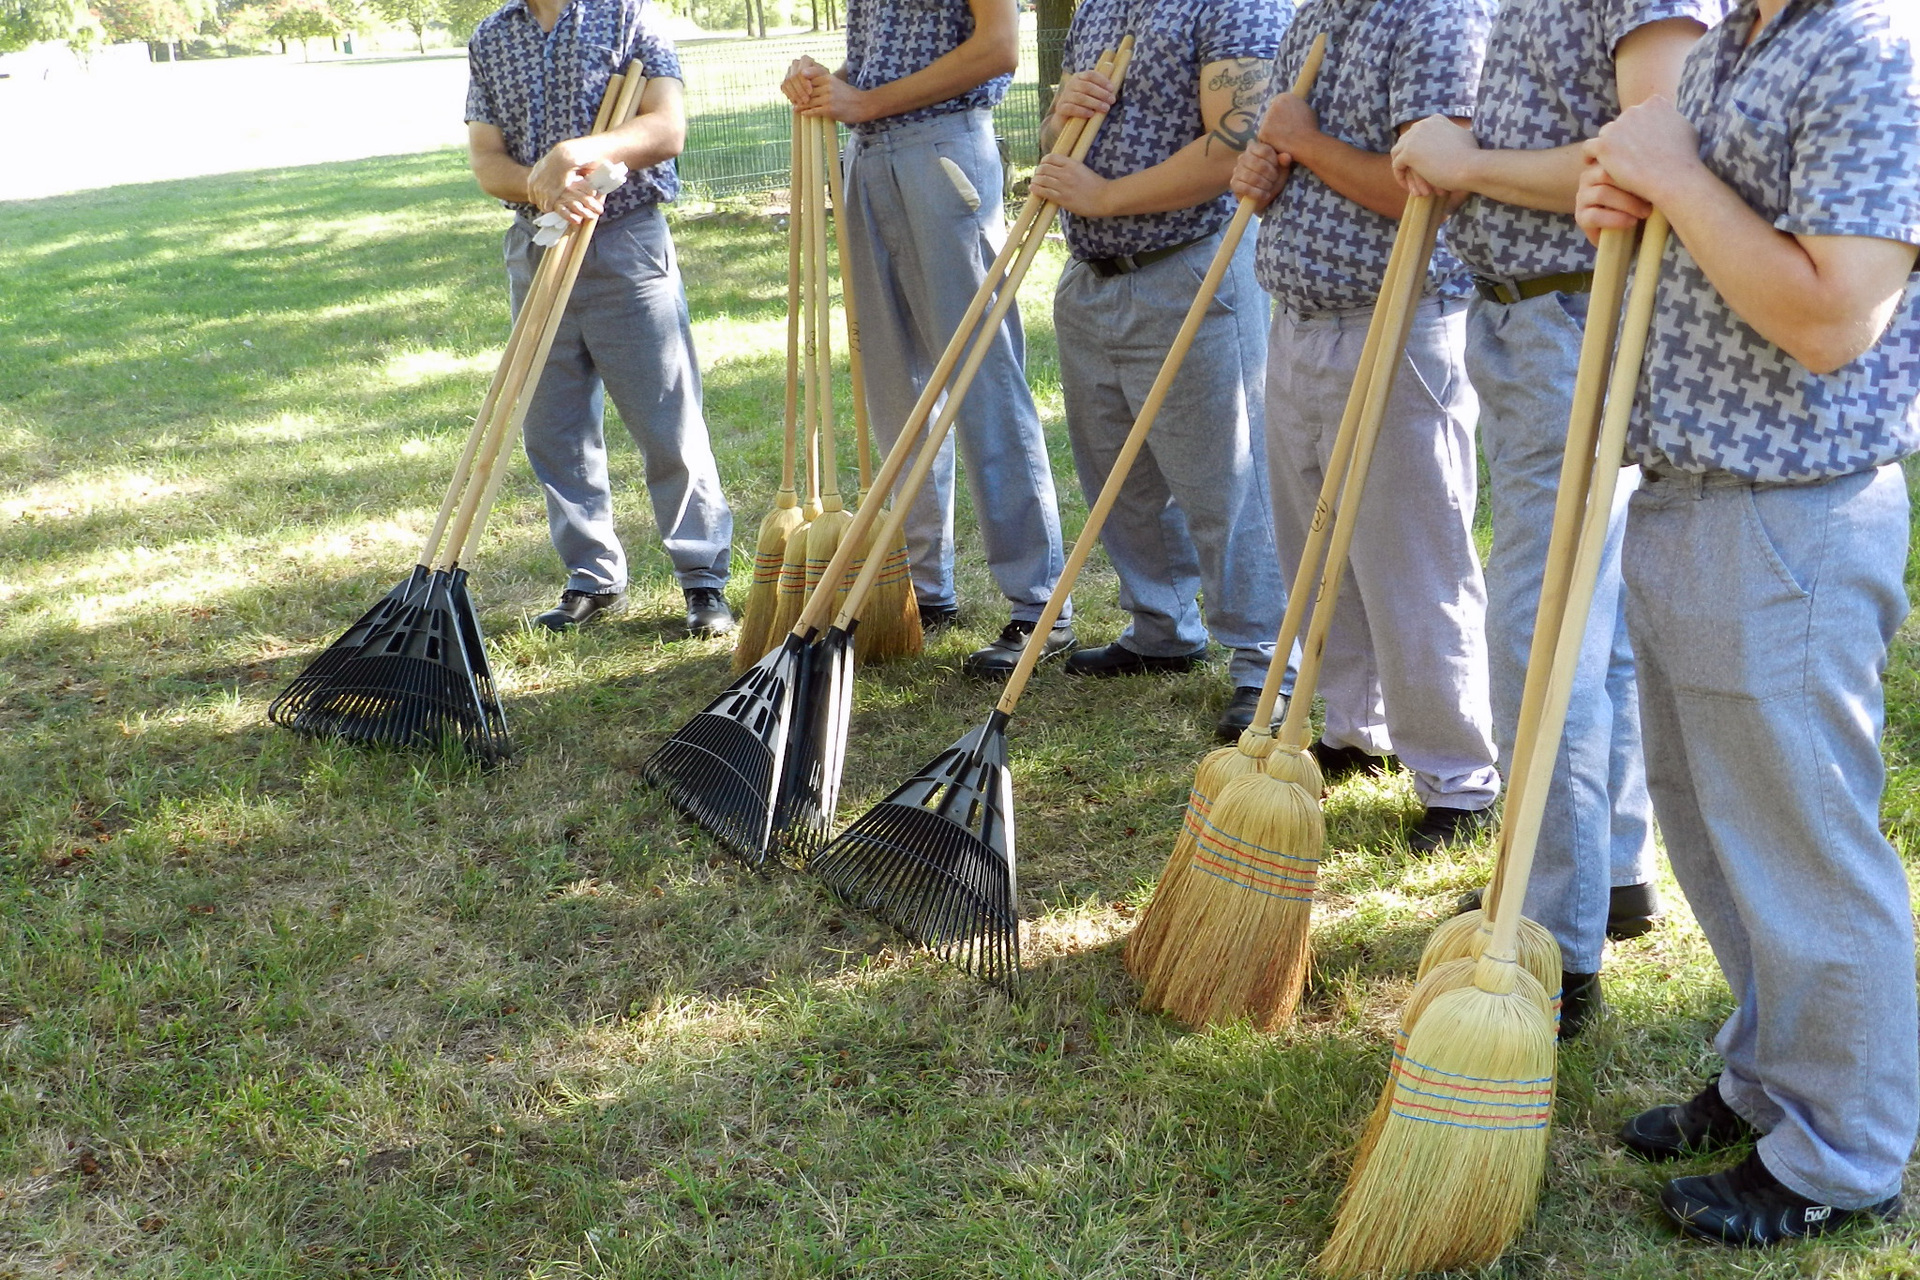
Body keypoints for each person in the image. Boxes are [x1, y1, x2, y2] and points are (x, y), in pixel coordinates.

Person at [1577, 0, 1919, 1245]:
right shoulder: (1736, 41)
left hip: (1790, 511)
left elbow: (1835, 317)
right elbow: (1715, 227)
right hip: (1695, 492)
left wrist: (1673, 173)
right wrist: (1630, 200)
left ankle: (1846, 1148)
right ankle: (1775, 1072)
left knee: (1802, 844)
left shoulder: (1870, 47)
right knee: (1719, 830)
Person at [1390, 0, 1720, 1036]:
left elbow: (1657, 146)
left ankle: (1552, 937)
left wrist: (1468, 163)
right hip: (1533, 308)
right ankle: (1606, 872)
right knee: (1587, 621)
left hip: (1578, 306)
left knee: (1542, 628)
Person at [1231, 0, 1499, 850]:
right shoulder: (1317, 14)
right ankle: (1355, 726)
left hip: (1398, 321)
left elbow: (1430, 189)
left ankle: (1459, 775)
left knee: (1412, 559)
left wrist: (1305, 143)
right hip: (1300, 320)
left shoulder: (1438, 16)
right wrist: (1264, 173)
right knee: (1318, 552)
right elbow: (1293, 157)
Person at [782, 0, 1075, 677]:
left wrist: (865, 100)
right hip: (868, 157)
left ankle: (1039, 605)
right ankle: (921, 589)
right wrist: (831, 83)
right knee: (894, 388)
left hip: (942, 152)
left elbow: (998, 46)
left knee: (982, 379)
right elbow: (889, 56)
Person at [1025, 0, 1290, 741]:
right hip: (1092, 272)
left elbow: (1238, 142)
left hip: (1189, 266)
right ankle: (1161, 626)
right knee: (1118, 474)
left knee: (1224, 481)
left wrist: (1106, 197)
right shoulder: (1101, 5)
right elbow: (1058, 135)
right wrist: (1059, 118)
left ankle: (1265, 660)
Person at [465, 0, 735, 637]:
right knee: (553, 426)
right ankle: (592, 574)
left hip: (625, 241)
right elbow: (486, 159)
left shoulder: (629, 14)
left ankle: (703, 577)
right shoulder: (492, 35)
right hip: (537, 241)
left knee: (666, 417)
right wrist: (543, 185)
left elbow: (666, 128)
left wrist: (575, 153)